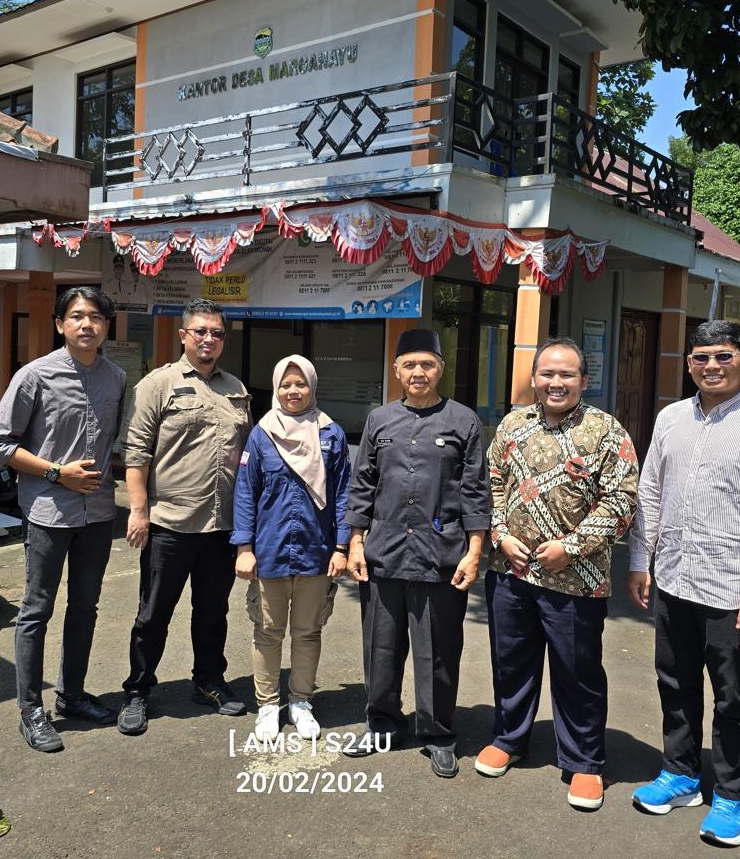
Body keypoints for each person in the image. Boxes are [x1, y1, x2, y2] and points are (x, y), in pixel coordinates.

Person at [627, 319, 740, 848]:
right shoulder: (670, 419)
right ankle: (680, 774)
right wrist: (639, 561)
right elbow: (650, 492)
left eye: (724, 356)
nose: (711, 366)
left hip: (735, 593)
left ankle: (730, 796)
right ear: (689, 364)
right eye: (701, 357)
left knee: (733, 698)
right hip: (675, 580)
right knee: (675, 682)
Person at [478, 338, 639, 810]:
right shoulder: (513, 425)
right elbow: (491, 483)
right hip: (511, 571)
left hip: (577, 580)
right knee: (511, 662)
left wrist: (570, 547)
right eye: (547, 373)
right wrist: (499, 533)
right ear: (534, 378)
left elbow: (622, 501)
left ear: (584, 381)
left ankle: (585, 761)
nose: (556, 382)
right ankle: (509, 738)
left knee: (578, 671)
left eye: (566, 374)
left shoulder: (606, 432)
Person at [342, 328, 491, 778]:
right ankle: (382, 725)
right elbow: (362, 484)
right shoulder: (379, 420)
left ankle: (438, 733)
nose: (418, 372)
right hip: (384, 554)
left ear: (440, 368)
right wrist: (355, 542)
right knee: (380, 650)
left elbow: (476, 491)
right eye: (409, 365)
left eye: (427, 364)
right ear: (397, 370)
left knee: (438, 653)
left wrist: (475, 552)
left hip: (440, 557)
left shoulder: (463, 421)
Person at [0, 286, 126, 753]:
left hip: (99, 513)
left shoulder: (117, 378)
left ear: (106, 326)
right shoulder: (34, 376)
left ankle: (73, 693)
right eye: (77, 316)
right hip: (49, 512)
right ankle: (31, 709)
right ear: (60, 324)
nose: (87, 324)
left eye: (96, 317)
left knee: (85, 606)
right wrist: (55, 472)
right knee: (36, 610)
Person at [117, 298, 253, 735]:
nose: (208, 339)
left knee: (212, 612)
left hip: (221, 526)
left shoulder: (236, 388)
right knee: (153, 615)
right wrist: (139, 511)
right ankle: (138, 690)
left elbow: (247, 454)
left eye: (216, 332)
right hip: (170, 524)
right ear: (183, 336)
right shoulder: (158, 384)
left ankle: (208, 681)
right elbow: (136, 453)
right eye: (200, 331)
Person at [231, 355, 351, 741]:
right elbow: (246, 492)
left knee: (307, 631)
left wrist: (342, 546)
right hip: (270, 550)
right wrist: (244, 548)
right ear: (276, 388)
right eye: (286, 385)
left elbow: (344, 494)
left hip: (316, 550)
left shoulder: (331, 433)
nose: (293, 391)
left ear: (312, 387)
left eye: (300, 384)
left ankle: (300, 701)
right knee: (267, 632)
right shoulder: (261, 434)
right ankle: (268, 705)